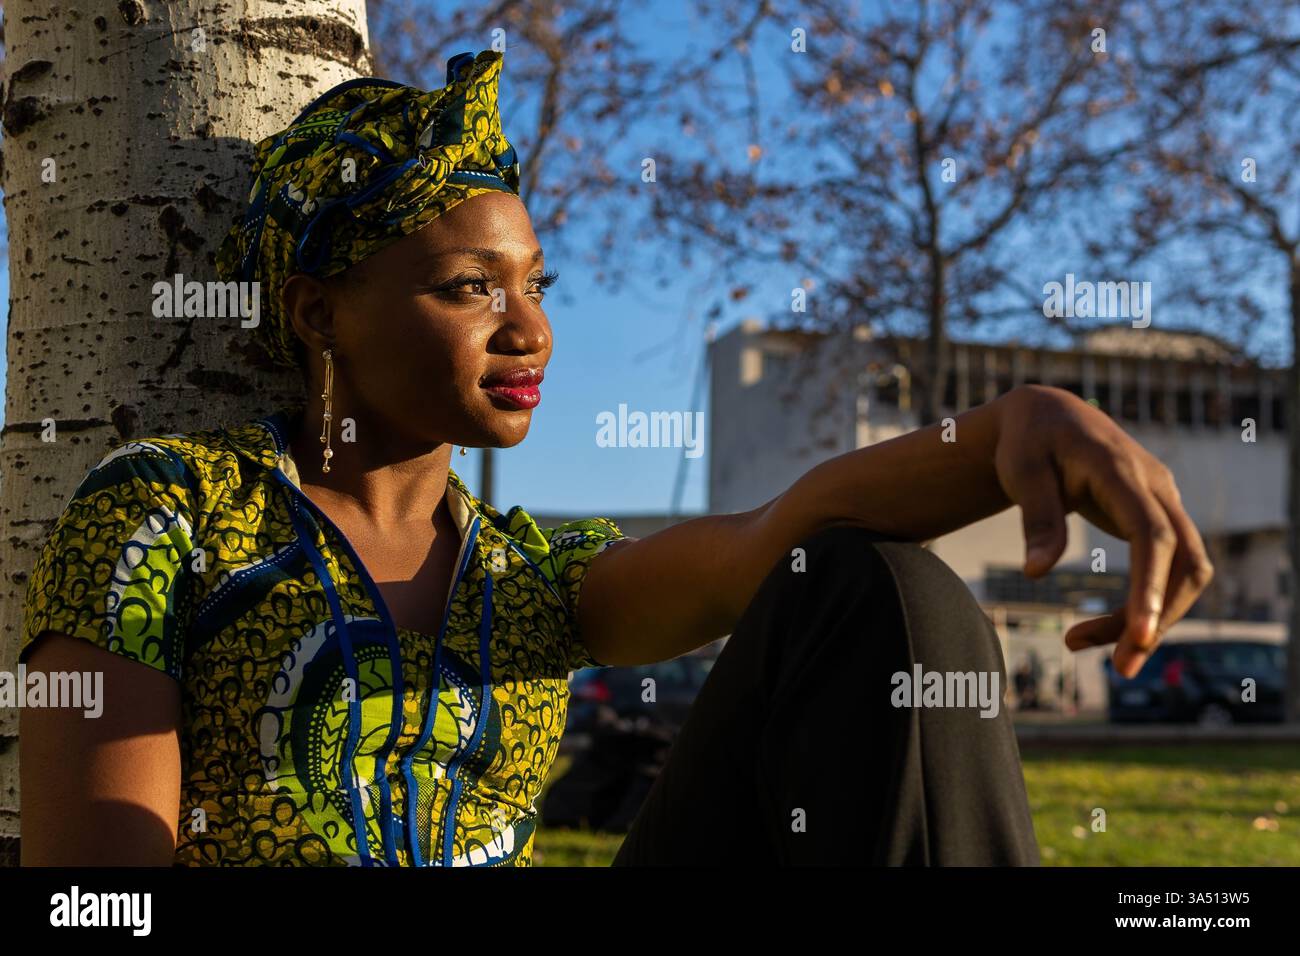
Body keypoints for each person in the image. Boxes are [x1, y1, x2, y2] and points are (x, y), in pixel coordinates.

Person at [18, 50, 1213, 867]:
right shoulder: (172, 512)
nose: (529, 328)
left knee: (873, 590)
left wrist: (1012, 427)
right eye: (468, 287)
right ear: (320, 310)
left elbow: (772, 537)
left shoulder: (530, 577)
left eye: (537, 285)